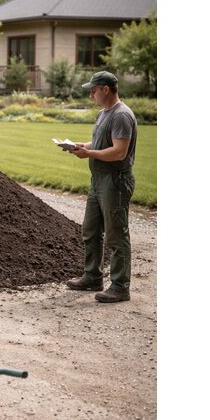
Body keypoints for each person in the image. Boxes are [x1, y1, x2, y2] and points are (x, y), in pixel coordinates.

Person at [64, 71, 137, 303]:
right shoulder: (104, 113)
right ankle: (92, 277)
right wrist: (82, 146)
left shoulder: (121, 115)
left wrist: (89, 154)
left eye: (93, 90)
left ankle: (120, 286)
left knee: (116, 234)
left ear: (106, 89)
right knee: (91, 229)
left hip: (115, 180)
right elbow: (101, 143)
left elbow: (119, 152)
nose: (91, 94)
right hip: (98, 180)